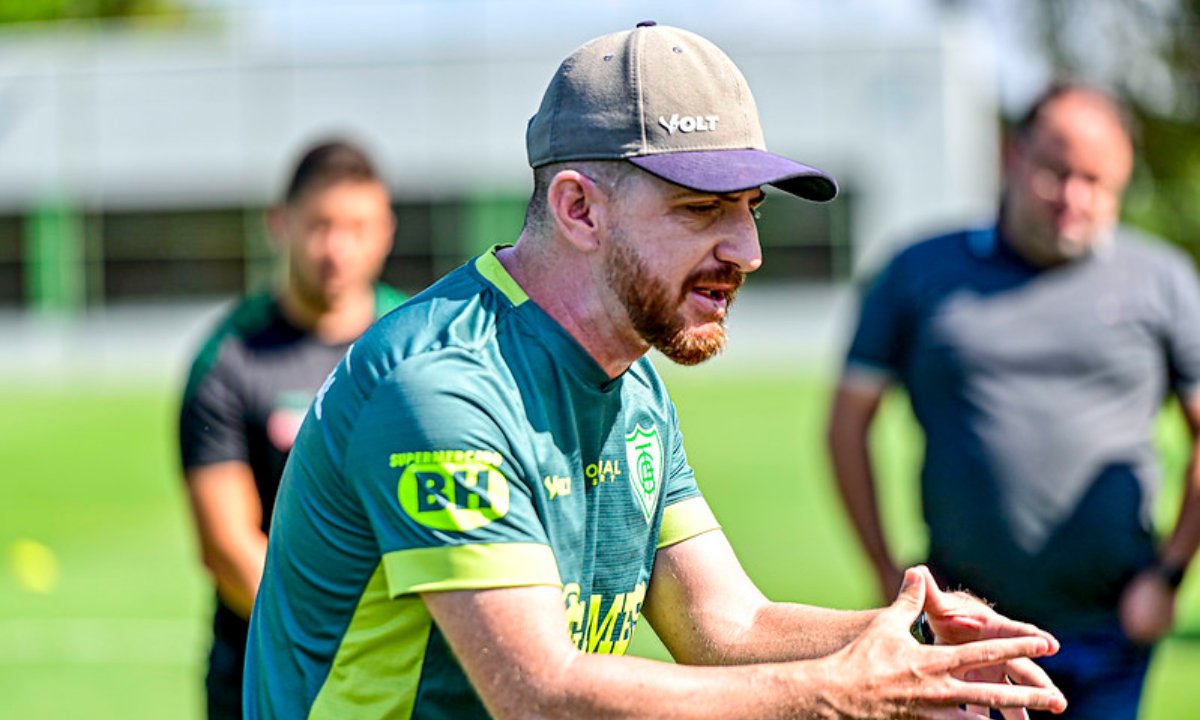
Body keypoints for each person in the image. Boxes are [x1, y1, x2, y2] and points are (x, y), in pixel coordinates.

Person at [245, 22, 1068, 719]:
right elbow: (537, 692)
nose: (746, 252)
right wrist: (830, 690)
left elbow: (723, 621)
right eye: (701, 208)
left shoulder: (628, 375)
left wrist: (909, 640)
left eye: (751, 210)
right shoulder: (442, 387)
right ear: (579, 209)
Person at [828, 81, 1200, 719]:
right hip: (966, 627)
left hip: (1111, 625)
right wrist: (885, 570)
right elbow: (846, 424)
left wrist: (1168, 576)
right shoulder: (919, 271)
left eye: (1097, 182)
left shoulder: (1161, 280)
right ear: (1013, 156)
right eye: (1057, 172)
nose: (1074, 199)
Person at [179, 139, 407, 719]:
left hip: (402, 675)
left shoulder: (421, 343)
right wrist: (340, 643)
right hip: (271, 675)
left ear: (386, 231)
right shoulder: (229, 358)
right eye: (320, 225)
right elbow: (228, 548)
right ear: (280, 224)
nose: (338, 248)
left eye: (358, 227)